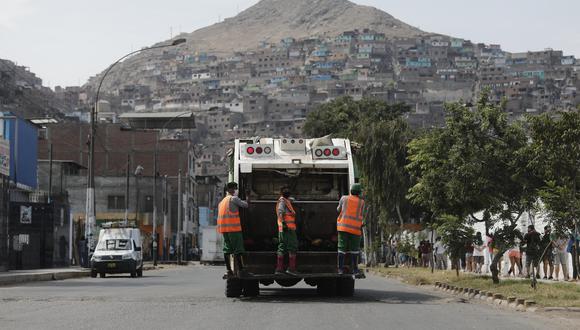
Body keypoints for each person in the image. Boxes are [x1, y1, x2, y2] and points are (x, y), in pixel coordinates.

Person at [217, 182, 250, 278]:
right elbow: (246, 205)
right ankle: (241, 270)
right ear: (231, 189)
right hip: (234, 229)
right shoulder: (233, 199)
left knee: (227, 250)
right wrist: (248, 196)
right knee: (238, 250)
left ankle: (229, 270)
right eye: (235, 189)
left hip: (224, 230)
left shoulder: (222, 202)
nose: (236, 191)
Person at [336, 184, 365, 277]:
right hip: (355, 229)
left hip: (343, 227)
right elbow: (362, 214)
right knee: (354, 250)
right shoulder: (362, 202)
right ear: (359, 193)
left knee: (341, 248)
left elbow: (338, 209)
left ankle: (340, 269)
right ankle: (355, 270)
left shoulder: (344, 198)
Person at [275, 186, 298, 275]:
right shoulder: (282, 201)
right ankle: (291, 269)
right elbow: (280, 212)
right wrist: (284, 224)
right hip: (288, 228)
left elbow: (290, 200)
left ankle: (279, 269)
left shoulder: (285, 200)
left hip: (284, 228)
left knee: (282, 247)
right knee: (292, 247)